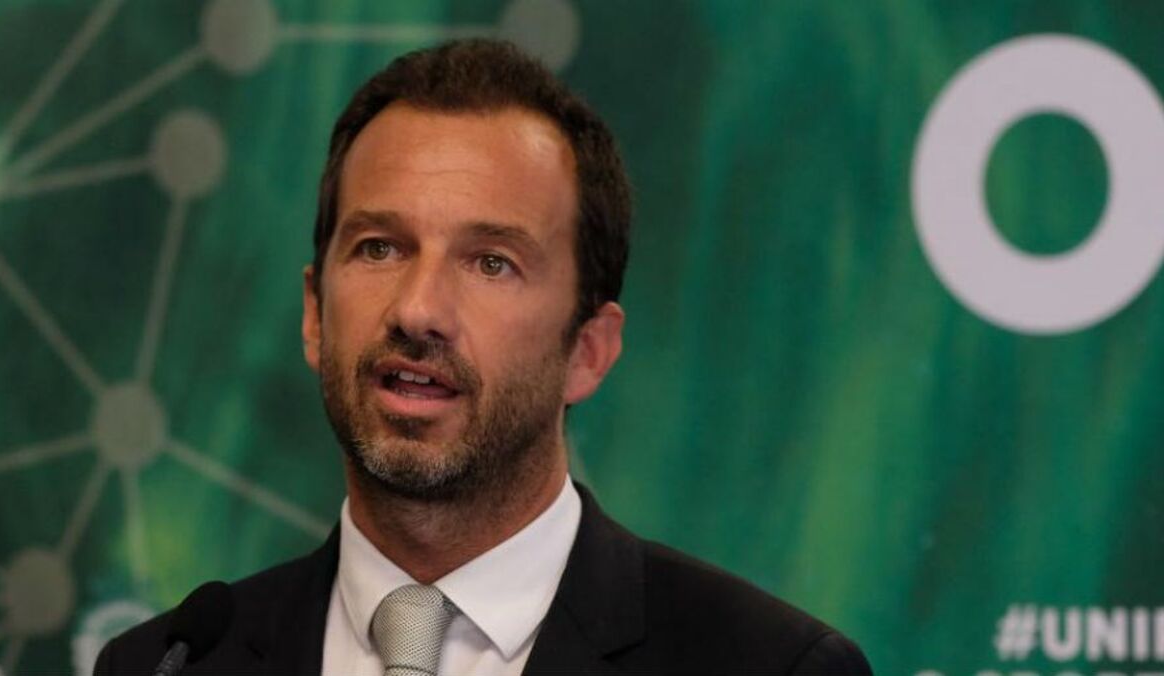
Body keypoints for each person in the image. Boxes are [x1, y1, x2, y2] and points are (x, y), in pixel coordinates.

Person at [95, 39, 872, 675]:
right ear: (313, 314)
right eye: (379, 247)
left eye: (491, 263)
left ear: (589, 352)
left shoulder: (768, 666)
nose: (417, 310)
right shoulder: (167, 665)